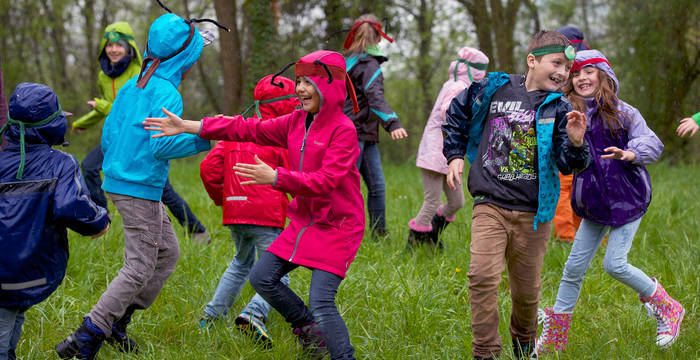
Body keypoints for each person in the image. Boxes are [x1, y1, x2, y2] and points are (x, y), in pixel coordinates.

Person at [144, 49, 365, 360]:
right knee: (262, 277)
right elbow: (246, 128)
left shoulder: (343, 129)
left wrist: (276, 177)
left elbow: (326, 181)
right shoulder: (296, 121)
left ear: (328, 86)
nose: (300, 89)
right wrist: (190, 126)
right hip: (304, 223)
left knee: (321, 301)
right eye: (298, 81)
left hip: (338, 225)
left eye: (308, 82)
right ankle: (310, 333)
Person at [56, 12, 222, 359]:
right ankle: (88, 334)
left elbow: (109, 133)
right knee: (139, 265)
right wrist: (203, 137)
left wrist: (116, 170)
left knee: (168, 252)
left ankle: (118, 322)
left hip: (121, 183)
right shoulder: (166, 92)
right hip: (138, 188)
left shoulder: (134, 85)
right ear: (184, 59)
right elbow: (161, 145)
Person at [442, 30, 592, 359]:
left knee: (525, 295)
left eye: (567, 68)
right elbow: (456, 114)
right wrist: (454, 155)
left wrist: (577, 141)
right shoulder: (495, 88)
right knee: (481, 277)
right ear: (532, 61)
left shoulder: (560, 108)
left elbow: (570, 164)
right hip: (490, 205)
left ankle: (524, 347)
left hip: (533, 214)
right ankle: (486, 351)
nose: (563, 72)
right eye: (557, 63)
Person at [536, 49, 684, 354]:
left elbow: (652, 143)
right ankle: (556, 338)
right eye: (575, 73)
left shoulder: (623, 112)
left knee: (615, 264)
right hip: (593, 204)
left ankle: (668, 307)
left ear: (604, 76)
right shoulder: (567, 113)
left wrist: (630, 153)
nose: (581, 78)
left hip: (628, 199)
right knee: (572, 269)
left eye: (588, 71)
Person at [72, 21, 211, 244]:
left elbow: (123, 111)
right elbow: (114, 112)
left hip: (137, 147)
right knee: (89, 167)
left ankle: (195, 229)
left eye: (119, 45)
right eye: (109, 45)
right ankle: (101, 218)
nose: (113, 49)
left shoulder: (142, 73)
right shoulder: (105, 76)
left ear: (131, 48)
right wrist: (85, 122)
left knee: (165, 193)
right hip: (125, 146)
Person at [0, 82, 110, 360]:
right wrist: (100, 220)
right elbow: (70, 204)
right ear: (53, 125)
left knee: (11, 314)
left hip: (8, 273)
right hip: (28, 270)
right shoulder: (61, 163)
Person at [198, 74, 298, 346]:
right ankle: (253, 315)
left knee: (241, 263)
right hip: (267, 216)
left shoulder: (236, 130)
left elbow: (208, 168)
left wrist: (225, 199)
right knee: (279, 271)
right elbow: (293, 174)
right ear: (290, 103)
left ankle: (211, 317)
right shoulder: (281, 134)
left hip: (235, 214)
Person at [407, 46, 488, 248]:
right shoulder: (458, 86)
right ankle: (416, 243)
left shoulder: (459, 84)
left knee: (457, 202)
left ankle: (433, 233)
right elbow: (448, 113)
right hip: (435, 152)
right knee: (431, 201)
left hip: (450, 155)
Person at [342, 14, 407, 238]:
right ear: (379, 38)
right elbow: (374, 96)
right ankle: (343, 233)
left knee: (377, 186)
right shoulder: (368, 65)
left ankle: (379, 235)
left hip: (365, 134)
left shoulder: (347, 62)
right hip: (354, 133)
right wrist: (393, 122)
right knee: (346, 188)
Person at [552, 25, 590, 243]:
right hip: (586, 138)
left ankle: (566, 237)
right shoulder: (591, 65)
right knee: (581, 187)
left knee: (564, 188)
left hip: (568, 132)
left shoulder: (564, 66)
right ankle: (588, 237)